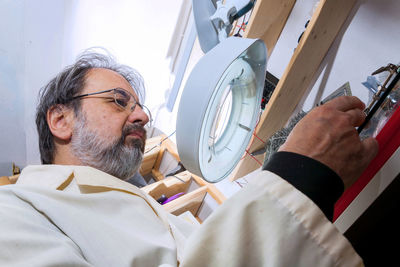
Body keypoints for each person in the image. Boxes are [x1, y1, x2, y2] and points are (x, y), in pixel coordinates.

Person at [0, 51, 377, 267]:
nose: (143, 116)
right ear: (61, 120)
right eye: (118, 101)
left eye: (139, 107)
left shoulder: (142, 208)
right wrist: (300, 177)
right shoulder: (13, 210)